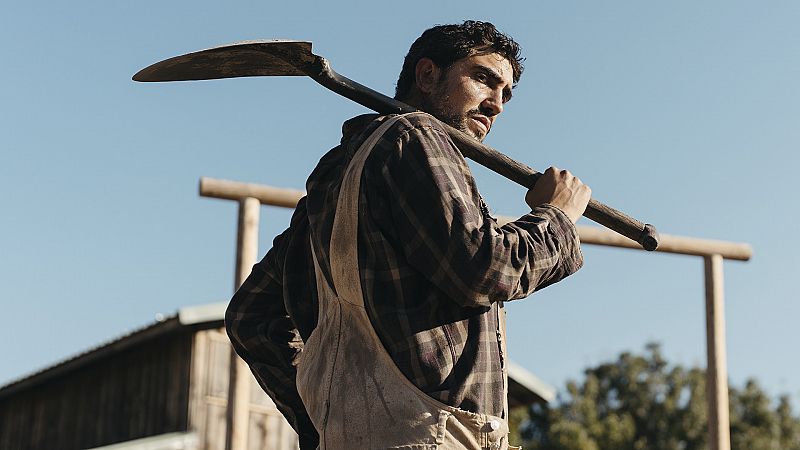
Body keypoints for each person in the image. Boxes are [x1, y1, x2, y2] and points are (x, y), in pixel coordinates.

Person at [226, 20, 591, 450]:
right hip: (435, 437)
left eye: (506, 94)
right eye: (483, 79)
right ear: (427, 75)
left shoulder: (338, 176)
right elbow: (485, 268)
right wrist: (557, 218)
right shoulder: (417, 135)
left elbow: (251, 316)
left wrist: (325, 423)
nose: (497, 105)